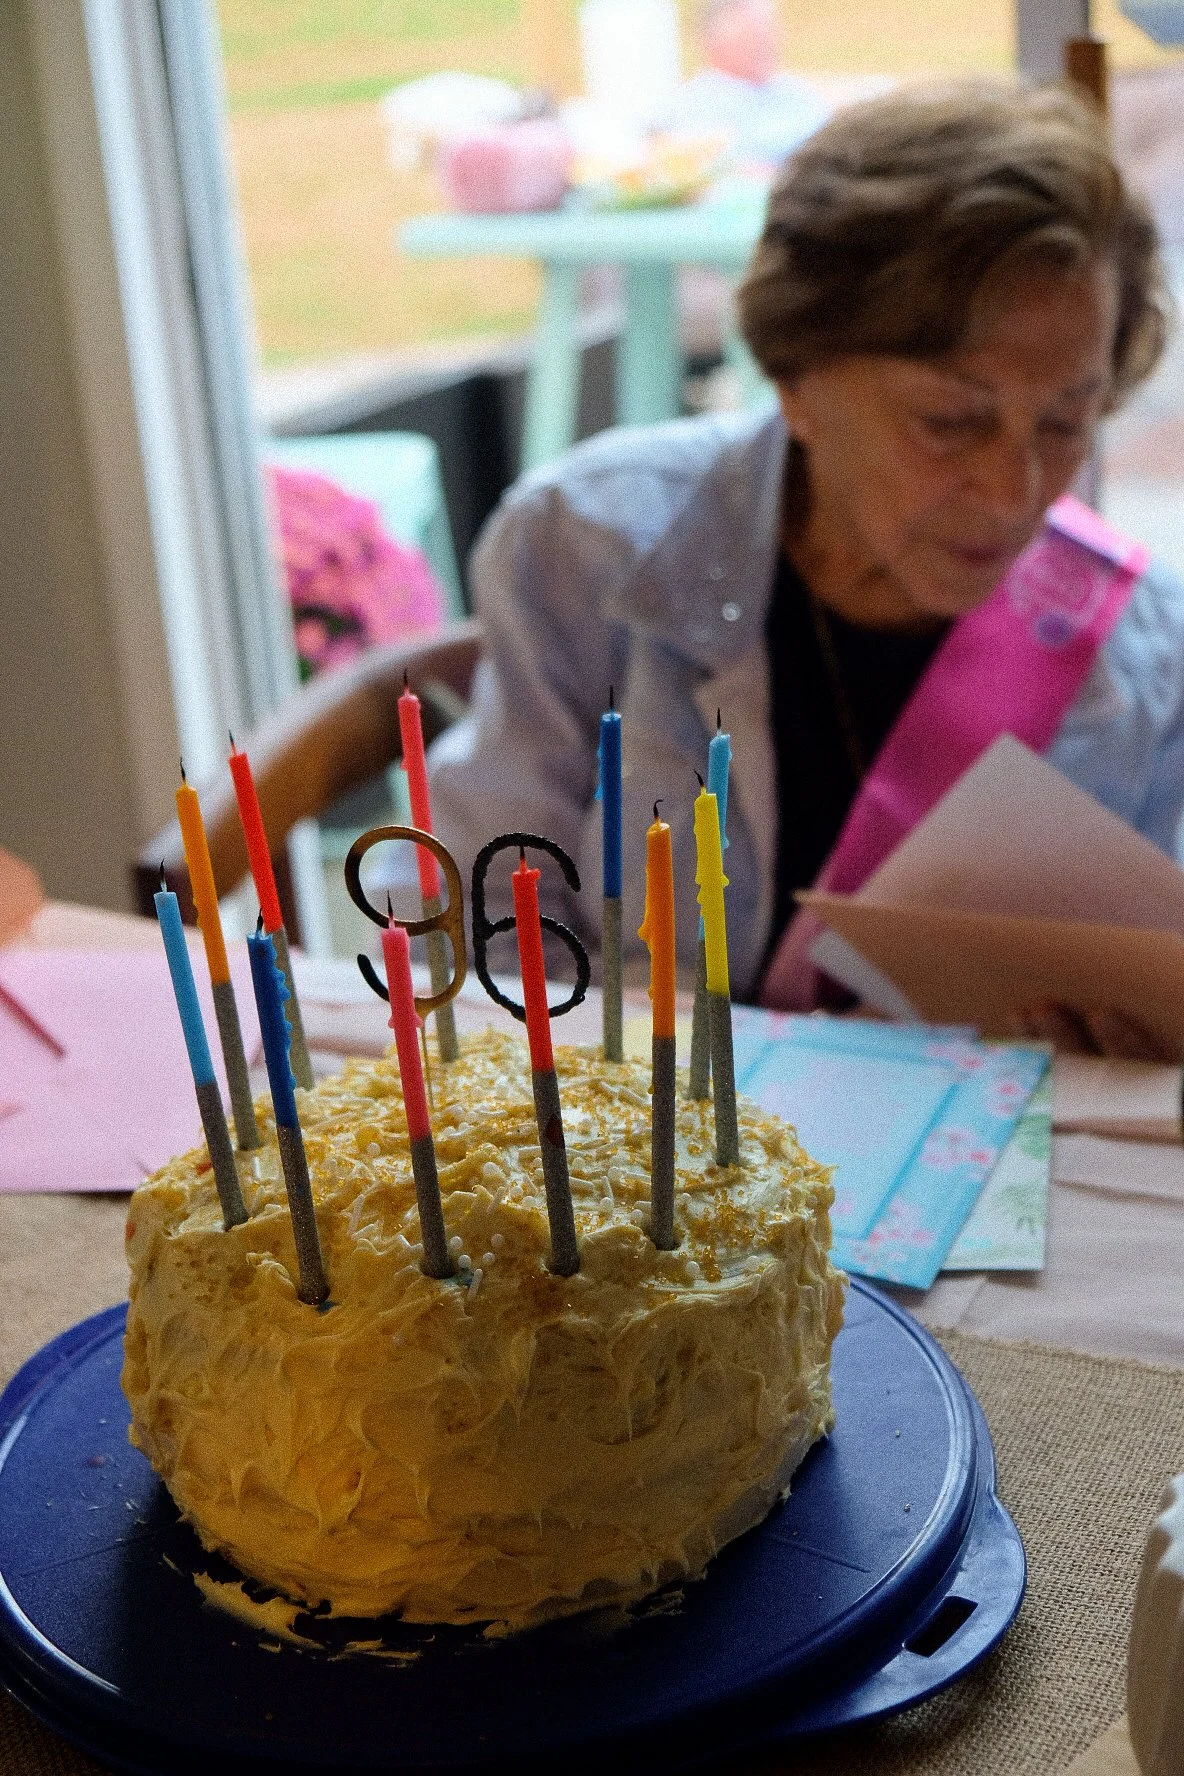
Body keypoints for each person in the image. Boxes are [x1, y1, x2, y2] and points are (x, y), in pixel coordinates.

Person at [427, 80, 1182, 1055]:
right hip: (638, 1163)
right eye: (948, 422)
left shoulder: (1140, 663)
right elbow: (476, 926)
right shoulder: (589, 548)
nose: (1013, 492)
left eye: (1064, 421)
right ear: (794, 376)